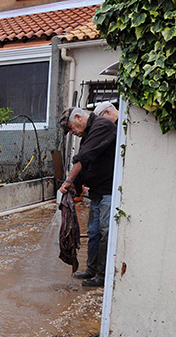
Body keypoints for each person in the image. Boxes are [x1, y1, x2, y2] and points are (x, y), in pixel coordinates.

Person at [58, 107, 117, 287]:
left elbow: (84, 157)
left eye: (71, 128)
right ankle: (91, 270)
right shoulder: (89, 133)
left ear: (78, 117)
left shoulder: (102, 126)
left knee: (105, 231)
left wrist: (69, 180)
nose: (72, 133)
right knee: (93, 231)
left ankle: (102, 275)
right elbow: (87, 163)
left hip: (108, 190)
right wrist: (74, 185)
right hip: (98, 192)